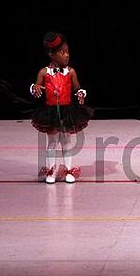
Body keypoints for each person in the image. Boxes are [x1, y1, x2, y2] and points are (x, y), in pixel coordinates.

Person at [30, 32, 93, 184]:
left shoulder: (70, 72)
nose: (67, 55)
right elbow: (35, 86)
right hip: (50, 112)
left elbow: (78, 88)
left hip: (67, 111)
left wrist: (81, 94)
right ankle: (51, 169)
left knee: (66, 141)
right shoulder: (44, 72)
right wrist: (35, 87)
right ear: (52, 54)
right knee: (52, 142)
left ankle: (69, 170)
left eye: (67, 52)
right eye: (63, 52)